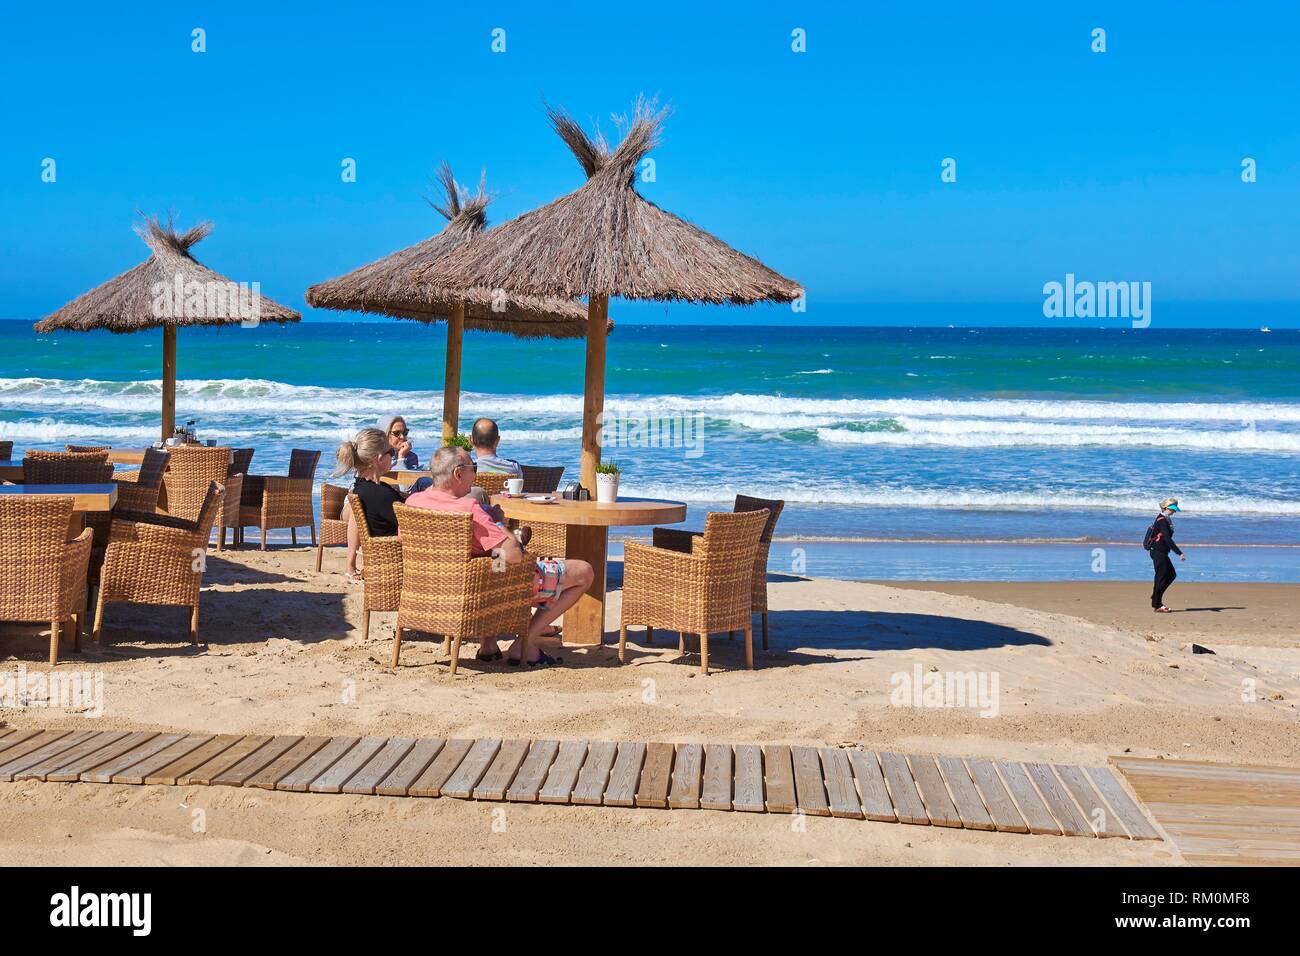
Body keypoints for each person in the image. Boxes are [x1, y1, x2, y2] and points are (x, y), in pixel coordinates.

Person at [406, 446, 594, 666]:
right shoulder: (469, 509)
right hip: (482, 590)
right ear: (458, 474)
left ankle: (488, 645)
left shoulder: (413, 503)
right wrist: (497, 523)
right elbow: (514, 555)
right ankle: (524, 643)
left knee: (493, 557)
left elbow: (404, 541)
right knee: (584, 571)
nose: (475, 474)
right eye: (473, 468)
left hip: (435, 587)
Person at [334, 427, 403, 581]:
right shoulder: (380, 495)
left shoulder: (362, 489)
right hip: (398, 563)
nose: (393, 456)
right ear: (378, 458)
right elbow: (410, 522)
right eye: (391, 453)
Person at [1149, 497, 1186, 613]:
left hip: (1161, 552)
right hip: (1158, 552)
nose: (1174, 511)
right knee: (1162, 577)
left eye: (1175, 509)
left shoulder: (1165, 519)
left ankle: (1156, 597)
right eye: (1172, 509)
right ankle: (1157, 604)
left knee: (1170, 575)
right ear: (1166, 508)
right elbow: (1167, 539)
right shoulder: (1162, 520)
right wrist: (1179, 552)